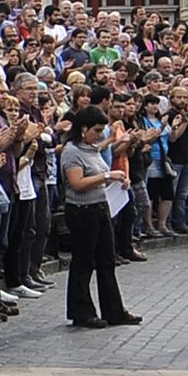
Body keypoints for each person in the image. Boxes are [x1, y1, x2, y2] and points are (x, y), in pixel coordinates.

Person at [57, 103, 138, 327]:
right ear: (83, 128)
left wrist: (117, 179)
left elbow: (100, 174)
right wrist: (106, 176)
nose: (99, 134)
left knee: (107, 261)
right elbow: (77, 183)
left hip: (100, 206)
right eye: (96, 130)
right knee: (83, 262)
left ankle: (114, 310)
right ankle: (81, 311)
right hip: (82, 210)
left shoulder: (92, 149)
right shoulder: (72, 151)